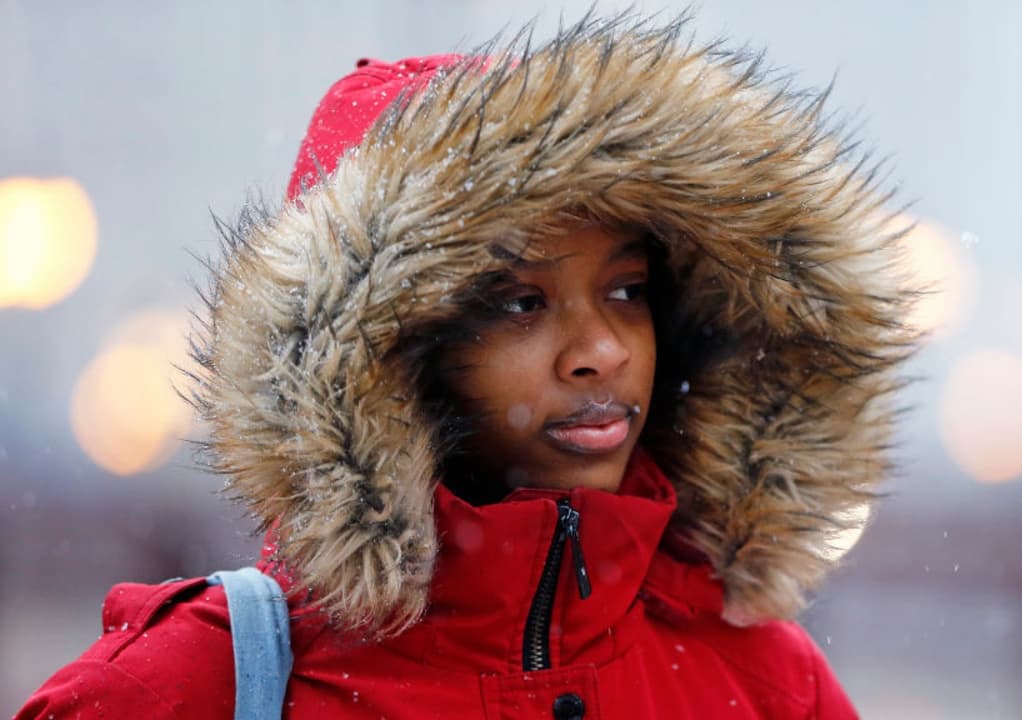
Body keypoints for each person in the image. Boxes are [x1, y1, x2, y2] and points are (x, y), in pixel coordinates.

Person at [17, 11, 917, 719]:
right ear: (389, 356)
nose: (601, 350)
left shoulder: (760, 681)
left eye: (627, 291)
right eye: (521, 304)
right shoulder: (192, 687)